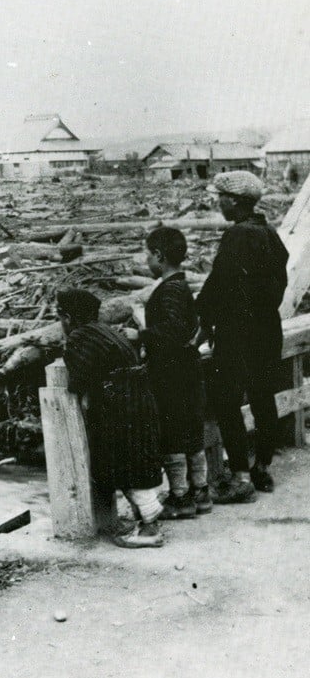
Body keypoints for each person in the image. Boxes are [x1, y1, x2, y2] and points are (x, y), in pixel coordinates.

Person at [196, 171, 288, 503]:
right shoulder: (270, 233)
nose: (217, 203)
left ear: (233, 201)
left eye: (219, 197)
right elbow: (278, 283)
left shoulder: (237, 236)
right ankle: (261, 467)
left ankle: (239, 475)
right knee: (264, 398)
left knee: (225, 400)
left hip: (238, 333)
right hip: (268, 329)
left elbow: (220, 283)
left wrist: (203, 321)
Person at [58, 289, 165, 548]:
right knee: (139, 460)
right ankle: (147, 518)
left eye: (60, 316)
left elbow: (78, 382)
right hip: (139, 398)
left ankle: (150, 526)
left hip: (120, 404)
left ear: (68, 317)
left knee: (125, 461)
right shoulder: (108, 332)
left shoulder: (79, 338)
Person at [135, 226, 210, 518]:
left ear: (159, 256)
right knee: (191, 430)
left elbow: (172, 330)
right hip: (188, 369)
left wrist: (140, 334)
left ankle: (180, 497)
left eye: (148, 255)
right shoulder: (182, 286)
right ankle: (200, 492)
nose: (147, 261)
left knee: (171, 432)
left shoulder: (168, 291)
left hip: (170, 373)